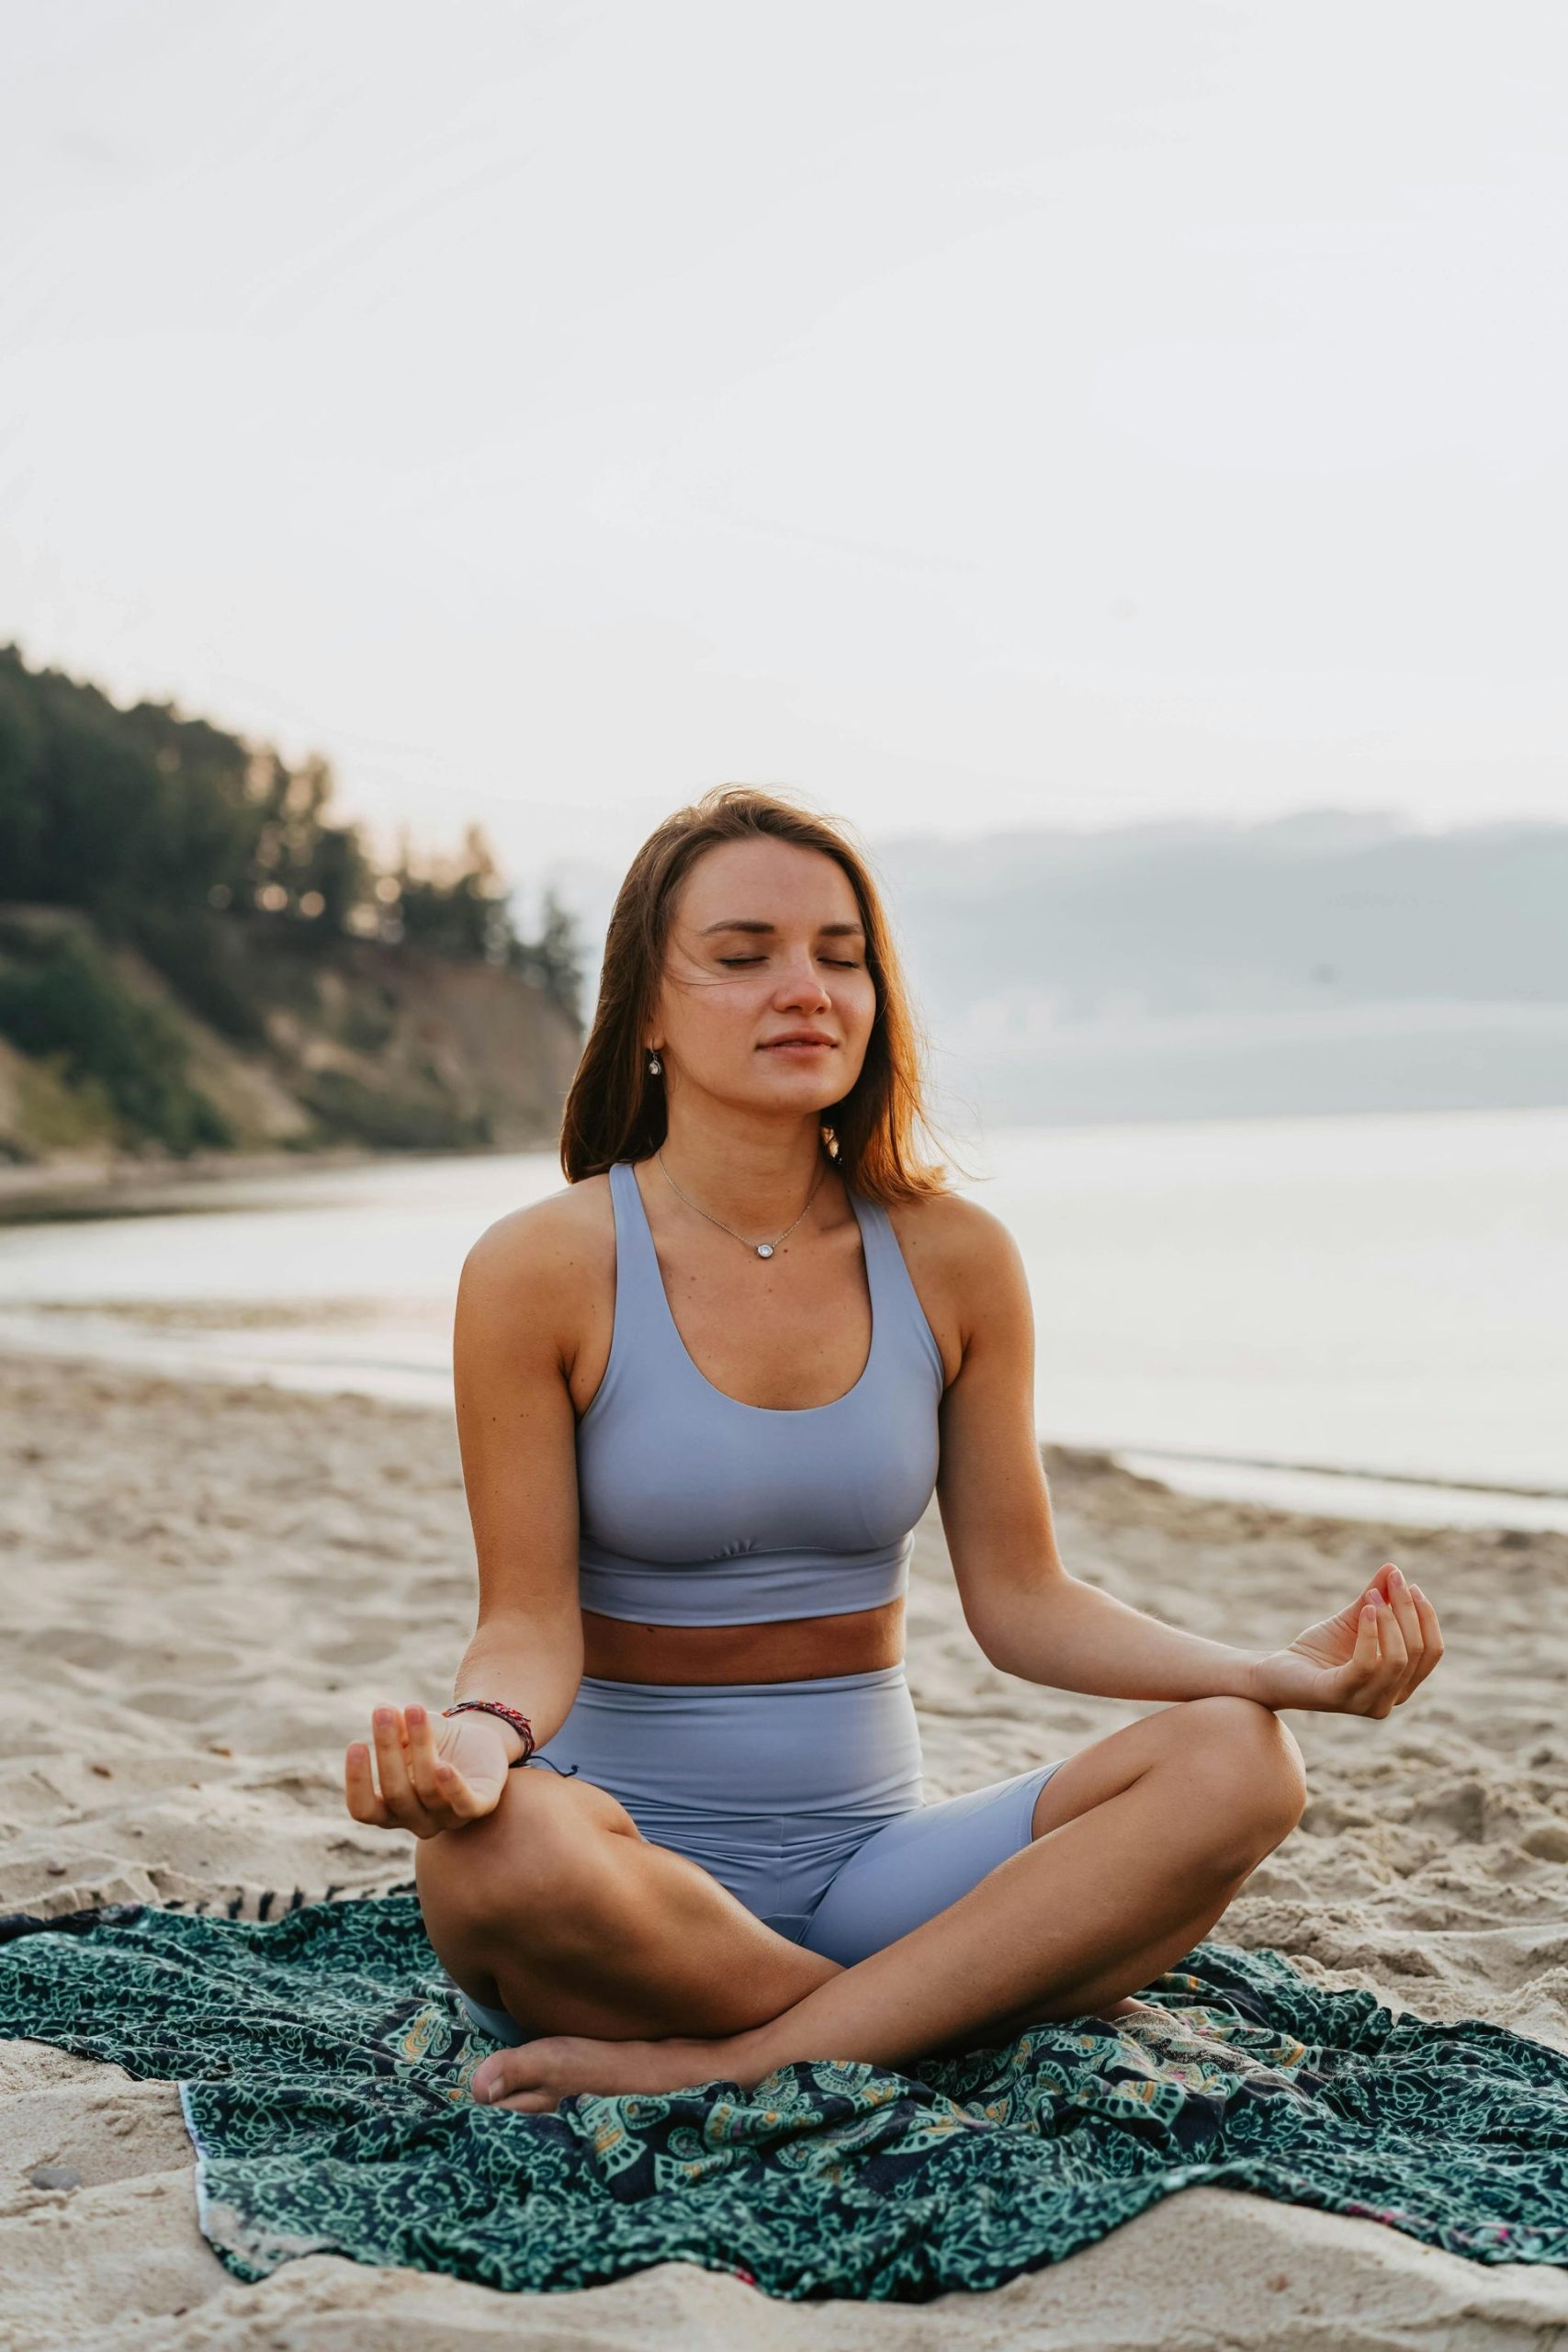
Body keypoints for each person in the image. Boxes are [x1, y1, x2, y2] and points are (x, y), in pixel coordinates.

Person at [344, 786, 1443, 2116]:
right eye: (744, 956)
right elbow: (525, 1622)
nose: (803, 988)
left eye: (840, 955)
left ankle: (748, 2053)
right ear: (646, 1008)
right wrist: (476, 1742)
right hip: (624, 1884)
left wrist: (1264, 1672)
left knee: (1242, 1759)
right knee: (487, 1864)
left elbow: (1024, 1603)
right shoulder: (543, 1266)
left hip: (876, 1875)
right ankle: (918, 2010)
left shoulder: (952, 1257)